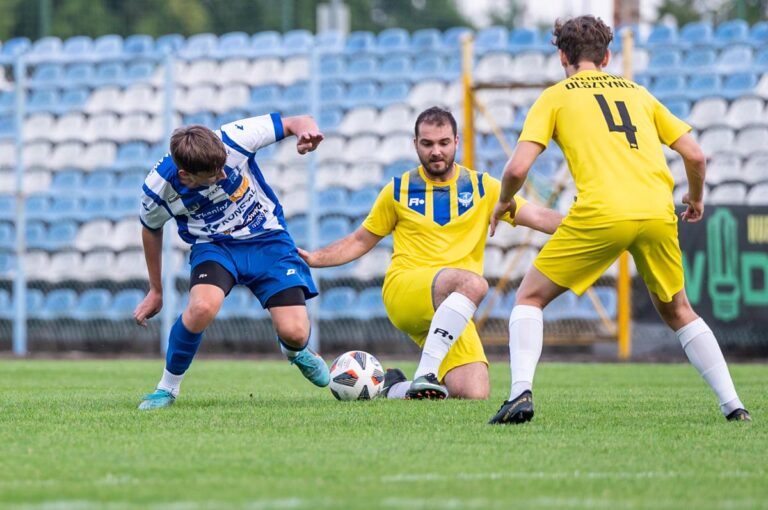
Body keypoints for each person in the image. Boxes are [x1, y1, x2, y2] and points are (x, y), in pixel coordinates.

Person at [487, 16, 751, 424]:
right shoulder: (639, 93)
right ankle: (734, 406)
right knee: (679, 310)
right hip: (657, 211)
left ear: (562, 57)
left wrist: (505, 201)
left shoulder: (554, 97)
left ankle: (520, 393)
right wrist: (696, 198)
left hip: (602, 212)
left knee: (529, 298)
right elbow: (696, 155)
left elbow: (517, 168)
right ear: (607, 57)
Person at [299, 107, 562, 400]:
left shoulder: (483, 187)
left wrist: (587, 225)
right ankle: (427, 372)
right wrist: (315, 259)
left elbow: (538, 216)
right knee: (474, 283)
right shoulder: (397, 190)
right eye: (427, 143)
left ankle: (393, 388)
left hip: (454, 307)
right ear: (415, 144)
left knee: (472, 393)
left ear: (456, 142)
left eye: (443, 143)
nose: (436, 151)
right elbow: (360, 240)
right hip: (406, 290)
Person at [134, 113, 330, 410]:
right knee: (201, 307)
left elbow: (297, 121)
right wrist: (155, 290)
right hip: (214, 247)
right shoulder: (158, 189)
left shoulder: (235, 138)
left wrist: (307, 133)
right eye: (214, 176)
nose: (224, 176)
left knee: (295, 332)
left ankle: (295, 351)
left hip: (268, 238)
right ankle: (167, 388)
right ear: (185, 175)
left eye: (224, 167)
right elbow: (151, 229)